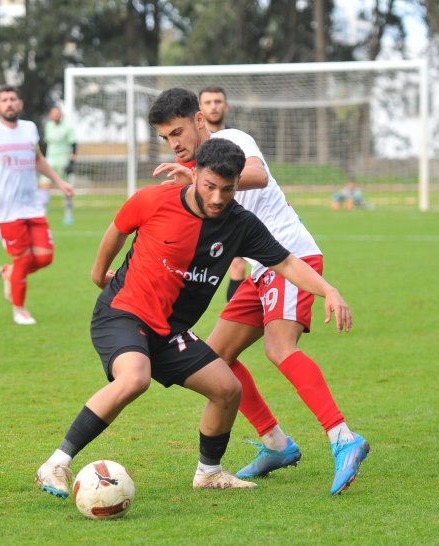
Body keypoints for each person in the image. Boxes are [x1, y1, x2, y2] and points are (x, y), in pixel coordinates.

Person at [35, 138, 353, 499]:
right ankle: (56, 463)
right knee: (135, 378)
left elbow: (287, 262)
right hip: (122, 313)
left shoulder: (240, 224)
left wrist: (329, 290)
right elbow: (117, 230)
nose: (218, 198)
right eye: (210, 187)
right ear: (195, 174)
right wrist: (98, 274)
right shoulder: (155, 200)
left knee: (227, 389)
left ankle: (209, 473)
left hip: (170, 331)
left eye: (228, 189)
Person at [151, 88, 369, 495]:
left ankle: (343, 437)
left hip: (291, 257)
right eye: (166, 138)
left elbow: (258, 175)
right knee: (215, 358)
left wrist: (199, 177)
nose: (174, 143)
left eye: (178, 131)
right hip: (259, 270)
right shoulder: (197, 174)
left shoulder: (232, 140)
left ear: (200, 120)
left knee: (279, 348)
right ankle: (276, 444)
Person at [0, 86, 74, 326]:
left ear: (20, 104)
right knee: (23, 260)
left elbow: (39, 160)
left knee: (44, 258)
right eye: (4, 100)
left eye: (13, 99)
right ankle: (19, 309)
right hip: (6, 210)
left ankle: (9, 273)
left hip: (32, 206)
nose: (9, 103)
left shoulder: (30, 129)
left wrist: (60, 182)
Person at [198, 86, 247, 301]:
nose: (213, 106)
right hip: (202, 216)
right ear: (200, 109)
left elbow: (256, 171)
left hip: (233, 211)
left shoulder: (238, 139)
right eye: (208, 102)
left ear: (226, 106)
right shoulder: (196, 144)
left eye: (218, 101)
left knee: (237, 265)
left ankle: (234, 321)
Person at [41, 106, 78, 224]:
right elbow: (45, 144)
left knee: (66, 189)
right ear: (50, 115)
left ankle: (68, 215)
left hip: (63, 161)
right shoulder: (48, 126)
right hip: (50, 161)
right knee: (44, 186)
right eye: (53, 113)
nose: (56, 115)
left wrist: (71, 163)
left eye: (58, 113)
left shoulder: (68, 127)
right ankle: (42, 215)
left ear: (61, 115)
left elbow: (74, 144)